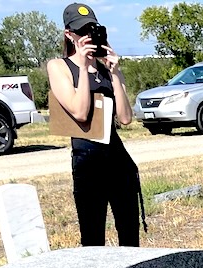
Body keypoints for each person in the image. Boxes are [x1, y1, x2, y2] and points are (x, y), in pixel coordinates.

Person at [48, 3, 142, 247]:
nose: (88, 36)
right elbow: (79, 112)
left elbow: (125, 118)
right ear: (69, 34)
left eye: (92, 29)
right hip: (87, 159)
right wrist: (81, 65)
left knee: (130, 236)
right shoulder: (59, 67)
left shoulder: (105, 68)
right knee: (93, 239)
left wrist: (114, 73)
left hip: (116, 156)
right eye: (82, 32)